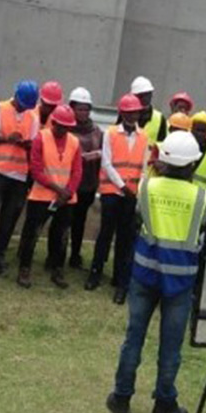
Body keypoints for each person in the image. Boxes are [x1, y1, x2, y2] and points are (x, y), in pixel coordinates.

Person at [106, 131, 206, 413]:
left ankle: (121, 398)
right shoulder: (201, 196)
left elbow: (139, 217)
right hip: (181, 281)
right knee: (171, 346)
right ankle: (164, 406)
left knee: (133, 337)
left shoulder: (147, 187)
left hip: (145, 274)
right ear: (191, 165)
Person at [87, 94, 149, 303]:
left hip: (131, 193)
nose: (133, 115)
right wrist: (122, 186)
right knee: (105, 233)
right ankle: (95, 273)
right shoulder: (111, 133)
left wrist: (137, 189)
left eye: (136, 112)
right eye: (129, 112)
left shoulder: (144, 137)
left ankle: (120, 281)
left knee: (125, 238)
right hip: (112, 191)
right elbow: (106, 162)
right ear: (122, 113)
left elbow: (144, 167)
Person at [0, 80, 41, 274]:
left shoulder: (32, 115)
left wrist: (25, 144)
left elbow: (34, 143)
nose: (24, 108)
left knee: (8, 220)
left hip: (19, 175)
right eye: (22, 104)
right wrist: (7, 139)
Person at [17, 106, 83, 288]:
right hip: (41, 195)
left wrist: (68, 191)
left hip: (66, 198)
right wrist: (58, 189)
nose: (64, 130)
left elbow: (77, 171)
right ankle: (24, 269)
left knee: (61, 235)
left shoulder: (74, 142)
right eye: (61, 126)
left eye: (67, 127)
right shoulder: (41, 138)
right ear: (53, 123)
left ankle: (57, 269)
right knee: (32, 234)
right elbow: (36, 170)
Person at [67, 87, 103, 270]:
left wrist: (97, 155)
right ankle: (55, 255)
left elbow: (106, 153)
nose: (83, 112)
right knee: (63, 221)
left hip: (87, 184)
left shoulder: (96, 131)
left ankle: (75, 255)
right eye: (80, 108)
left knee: (79, 221)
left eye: (86, 109)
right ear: (72, 108)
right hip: (66, 185)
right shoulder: (65, 128)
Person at [132, 76, 166, 144]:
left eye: (147, 95)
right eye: (141, 95)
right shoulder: (127, 114)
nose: (145, 98)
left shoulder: (159, 118)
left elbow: (162, 144)